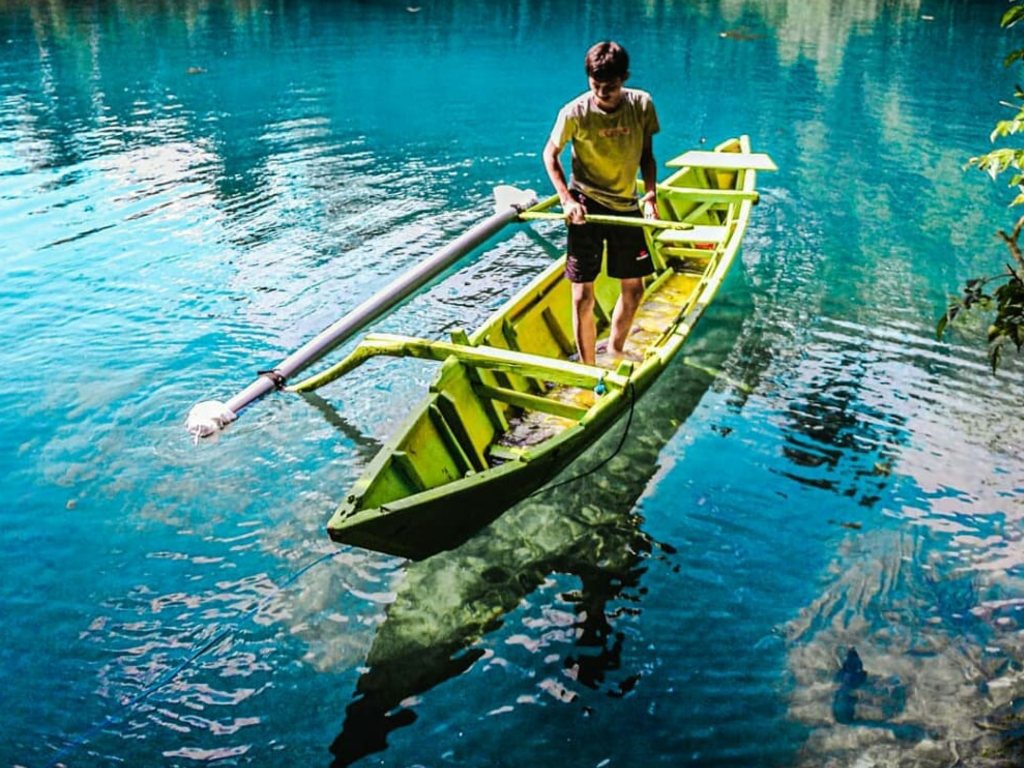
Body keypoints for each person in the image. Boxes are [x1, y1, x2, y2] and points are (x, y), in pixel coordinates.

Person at [542, 40, 660, 366]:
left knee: (634, 291)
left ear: (624, 78)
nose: (602, 93)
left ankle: (616, 349)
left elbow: (647, 157)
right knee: (582, 295)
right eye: (595, 85)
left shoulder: (641, 105)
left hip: (625, 204)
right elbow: (550, 155)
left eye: (610, 86)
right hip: (586, 204)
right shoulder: (575, 112)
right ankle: (589, 370)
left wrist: (650, 194)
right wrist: (567, 200)